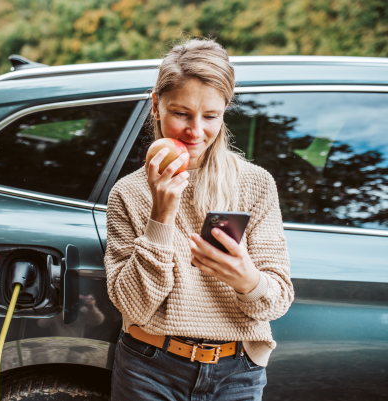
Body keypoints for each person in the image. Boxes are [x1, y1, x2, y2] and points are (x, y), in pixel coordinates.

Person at [104, 38, 294, 401]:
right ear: (156, 106)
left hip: (236, 373)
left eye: (210, 116)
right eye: (181, 113)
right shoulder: (128, 193)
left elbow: (277, 300)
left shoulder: (255, 185)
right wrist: (161, 214)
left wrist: (246, 278)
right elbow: (133, 306)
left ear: (224, 112)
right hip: (149, 368)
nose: (195, 131)